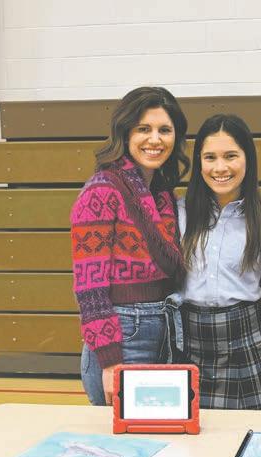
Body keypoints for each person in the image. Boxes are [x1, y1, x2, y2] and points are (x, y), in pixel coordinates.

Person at [71, 86, 189, 406]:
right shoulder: (101, 192)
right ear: (125, 133)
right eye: (143, 129)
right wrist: (110, 361)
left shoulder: (162, 194)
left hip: (163, 324)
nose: (155, 139)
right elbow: (89, 287)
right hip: (123, 333)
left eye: (165, 130)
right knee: (122, 431)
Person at [178, 114, 261, 410]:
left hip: (246, 342)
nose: (220, 168)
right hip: (189, 342)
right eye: (210, 157)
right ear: (199, 162)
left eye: (230, 156)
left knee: (245, 431)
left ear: (247, 158)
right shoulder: (178, 214)